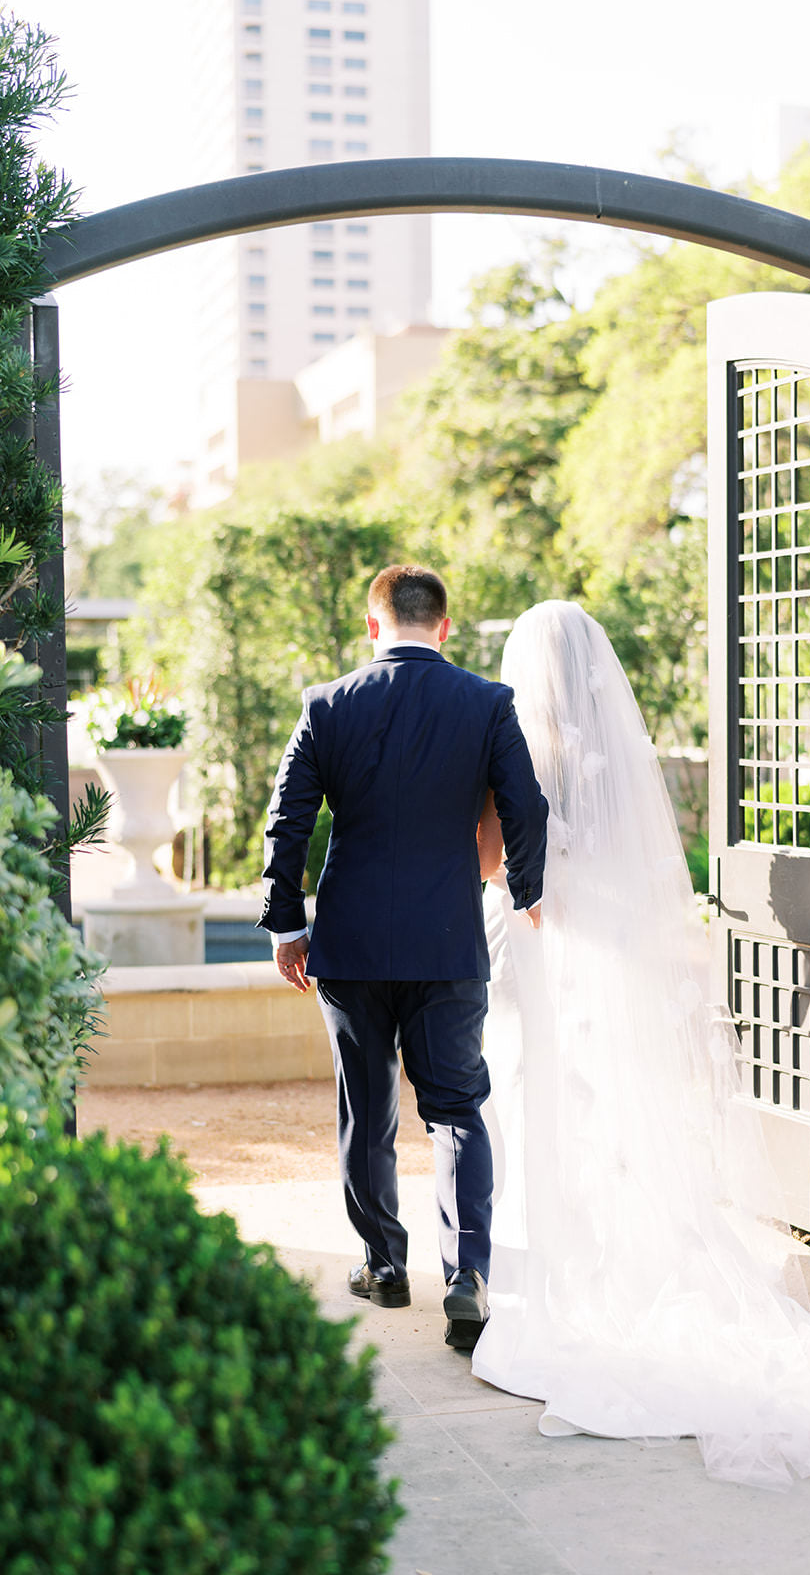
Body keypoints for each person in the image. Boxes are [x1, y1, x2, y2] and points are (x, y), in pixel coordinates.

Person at [470, 599, 810, 1489]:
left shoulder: (513, 754)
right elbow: (652, 881)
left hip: (539, 971)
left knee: (543, 1124)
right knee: (615, 1135)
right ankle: (628, 1281)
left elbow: (492, 864)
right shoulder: (608, 767)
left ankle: (564, 1303)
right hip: (605, 969)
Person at [258, 565, 548, 1349]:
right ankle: (468, 1277)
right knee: (456, 1111)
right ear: (444, 627)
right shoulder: (486, 703)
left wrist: (286, 924)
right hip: (448, 942)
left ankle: (384, 1266)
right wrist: (525, 891)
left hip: (350, 945)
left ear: (371, 623)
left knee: (368, 1105)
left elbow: (286, 821)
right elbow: (525, 805)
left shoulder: (326, 705)